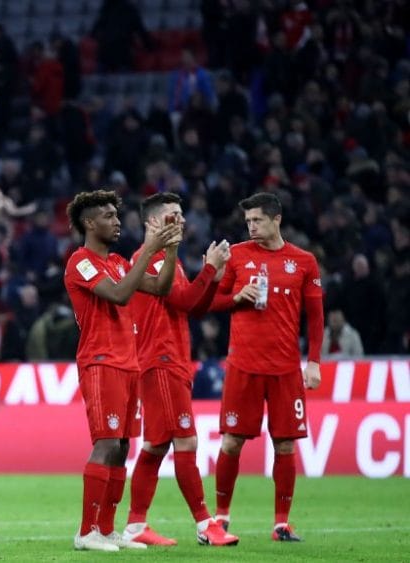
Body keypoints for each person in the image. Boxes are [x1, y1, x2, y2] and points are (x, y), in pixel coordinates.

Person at [63, 189, 180, 552]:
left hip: (129, 362)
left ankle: (107, 529)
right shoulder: (80, 262)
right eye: (109, 216)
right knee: (106, 444)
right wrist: (149, 248)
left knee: (122, 448)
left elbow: (160, 287)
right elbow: (119, 295)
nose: (117, 222)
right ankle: (86, 532)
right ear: (89, 222)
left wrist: (170, 247)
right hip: (101, 362)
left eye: (117, 215)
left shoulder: (116, 261)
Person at [120, 193, 239, 547]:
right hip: (161, 360)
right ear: (153, 223)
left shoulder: (167, 259)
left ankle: (135, 525)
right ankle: (206, 525)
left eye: (182, 214)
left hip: (171, 359)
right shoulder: (149, 259)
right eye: (173, 215)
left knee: (156, 446)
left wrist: (212, 276)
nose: (182, 220)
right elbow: (185, 301)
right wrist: (210, 269)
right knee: (185, 440)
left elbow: (193, 308)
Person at [208, 193, 323, 542]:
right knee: (231, 443)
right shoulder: (238, 255)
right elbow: (211, 301)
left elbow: (315, 317)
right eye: (248, 222)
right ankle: (222, 517)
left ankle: (281, 523)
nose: (251, 227)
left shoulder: (303, 262)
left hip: (286, 369)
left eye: (257, 220)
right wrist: (236, 298)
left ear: (277, 219)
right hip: (243, 365)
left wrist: (314, 361)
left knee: (286, 445)